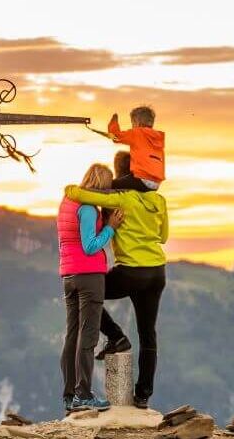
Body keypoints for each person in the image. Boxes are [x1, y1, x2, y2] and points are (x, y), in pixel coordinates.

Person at [63, 171, 168, 409]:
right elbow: (164, 236)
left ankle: (116, 336)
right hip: (157, 272)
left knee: (89, 297)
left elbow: (80, 194)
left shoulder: (123, 198)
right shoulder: (160, 201)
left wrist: (70, 189)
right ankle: (143, 395)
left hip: (130, 270)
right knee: (148, 333)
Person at [57, 163, 123, 413]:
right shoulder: (87, 209)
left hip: (69, 275)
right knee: (88, 336)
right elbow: (90, 246)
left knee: (72, 334)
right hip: (89, 276)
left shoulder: (67, 204)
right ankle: (83, 395)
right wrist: (110, 228)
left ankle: (69, 395)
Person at [88, 105, 164, 192]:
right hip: (155, 184)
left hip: (142, 179)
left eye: (132, 123)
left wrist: (113, 121)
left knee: (109, 186)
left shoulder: (138, 133)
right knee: (125, 180)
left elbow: (115, 137)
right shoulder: (158, 138)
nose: (132, 127)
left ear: (137, 122)